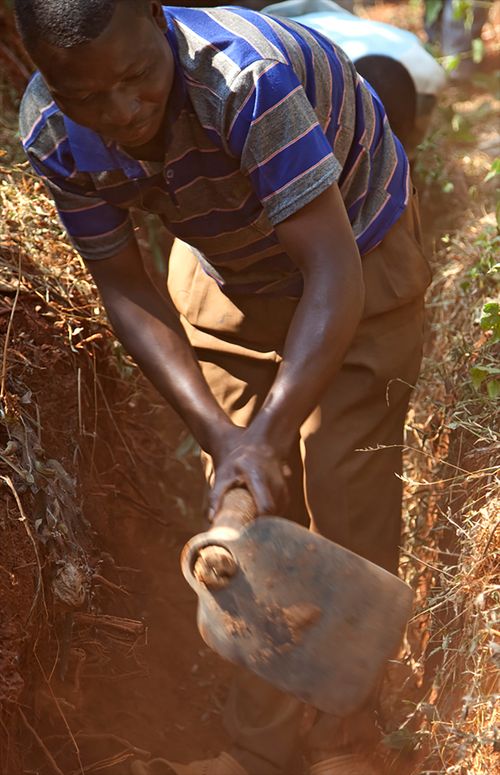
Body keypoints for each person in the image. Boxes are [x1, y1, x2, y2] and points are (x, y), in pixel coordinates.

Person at [16, 2, 432, 773]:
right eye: (89, 98)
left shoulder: (244, 80)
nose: (122, 112)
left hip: (353, 248)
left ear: (154, 16)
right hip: (226, 262)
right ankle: (261, 746)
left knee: (343, 483)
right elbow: (125, 289)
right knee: (245, 525)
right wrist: (227, 440)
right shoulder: (49, 127)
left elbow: (331, 272)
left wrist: (270, 435)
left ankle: (346, 733)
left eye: (138, 78)